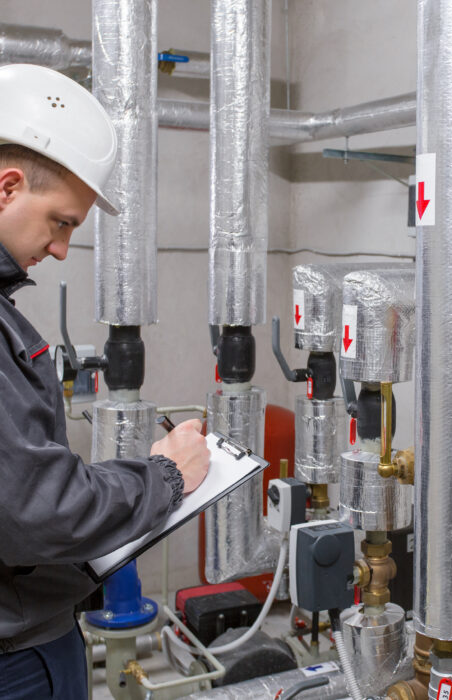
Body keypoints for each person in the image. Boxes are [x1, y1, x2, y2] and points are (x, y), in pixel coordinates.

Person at [0, 64, 210, 699]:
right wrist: (166, 477)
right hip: (16, 657)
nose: (62, 248)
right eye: (61, 221)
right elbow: (40, 509)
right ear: (7, 187)